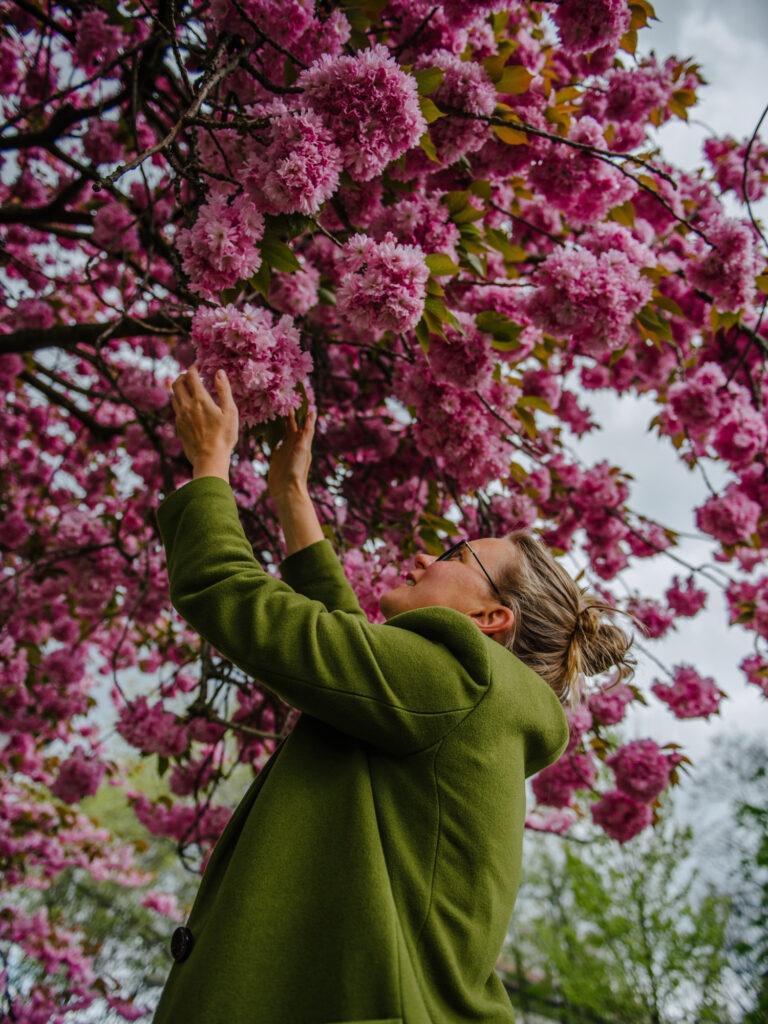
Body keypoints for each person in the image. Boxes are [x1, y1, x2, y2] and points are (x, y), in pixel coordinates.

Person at [154, 366, 635, 1024]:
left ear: (491, 620)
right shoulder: (472, 707)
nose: (422, 559)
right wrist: (292, 492)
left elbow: (234, 600)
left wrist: (209, 462)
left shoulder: (464, 681)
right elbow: (352, 656)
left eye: (456, 554)